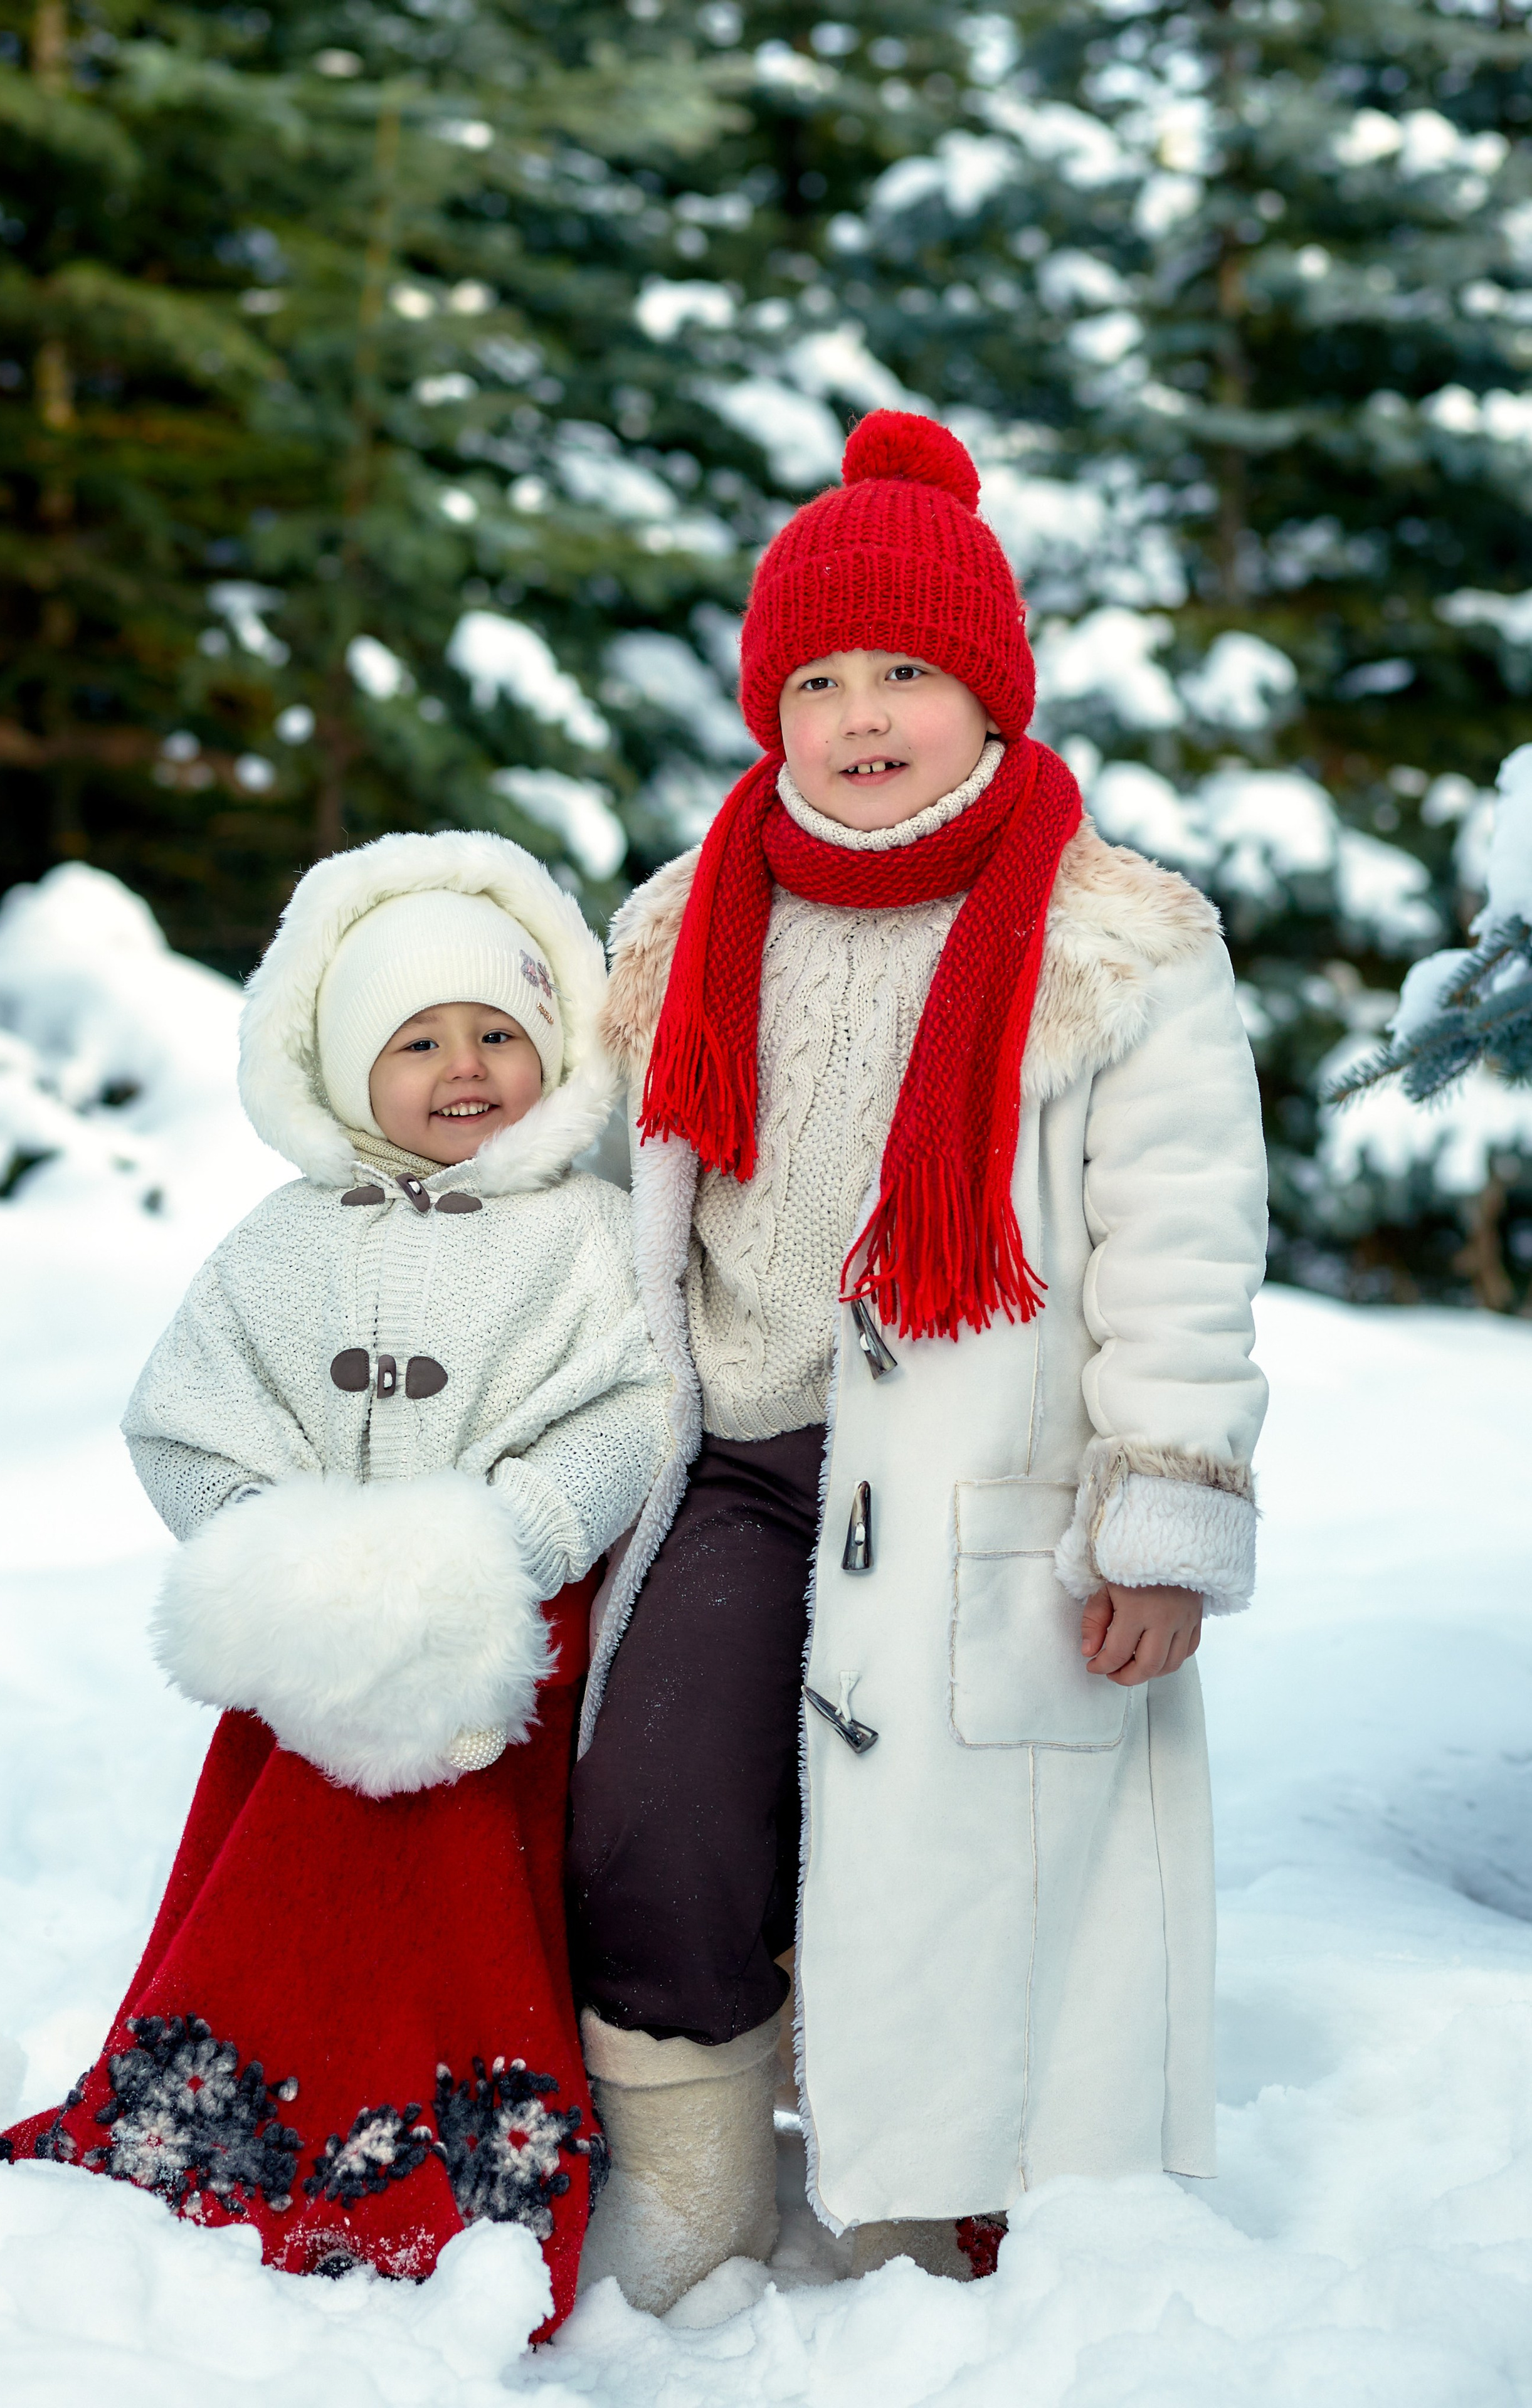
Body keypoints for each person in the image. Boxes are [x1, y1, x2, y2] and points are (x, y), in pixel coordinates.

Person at [567, 411, 1269, 2310]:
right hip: (736, 1457)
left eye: (909, 673)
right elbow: (576, 1182)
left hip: (979, 1489)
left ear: (993, 692)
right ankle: (692, 2190)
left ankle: (927, 2186)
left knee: (953, 1875)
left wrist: (1167, 1499)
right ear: (766, 706)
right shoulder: (679, 921)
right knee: (656, 1816)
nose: (862, 716)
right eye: (816, 678)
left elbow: (1182, 1244)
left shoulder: (1111, 943)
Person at [0, 831, 672, 2334]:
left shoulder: (581, 1236)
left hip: (502, 1645)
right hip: (311, 1658)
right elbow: (183, 1414)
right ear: (346, 1069)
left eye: (498, 1031)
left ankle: (457, 2159)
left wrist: (517, 1535)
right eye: (416, 1042)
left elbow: (631, 1411)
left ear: (551, 1047)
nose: (463, 1068)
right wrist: (268, 1555)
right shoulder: (281, 1246)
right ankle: (233, 2118)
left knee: (463, 1904)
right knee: (285, 1890)